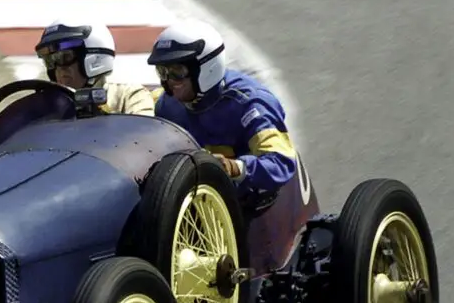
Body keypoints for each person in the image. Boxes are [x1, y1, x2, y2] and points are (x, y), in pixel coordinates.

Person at [148, 20, 298, 201]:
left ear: (205, 68)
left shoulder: (251, 104)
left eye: (177, 71)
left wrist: (234, 167)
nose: (169, 80)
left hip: (251, 206)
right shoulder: (165, 102)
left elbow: (281, 163)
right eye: (162, 71)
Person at [35, 22, 156, 115]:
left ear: (94, 58)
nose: (59, 69)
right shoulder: (47, 104)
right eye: (50, 61)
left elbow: (145, 137)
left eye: (65, 57)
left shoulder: (128, 96)